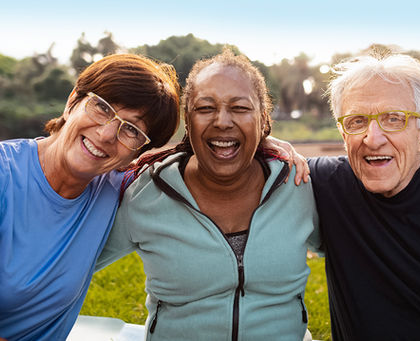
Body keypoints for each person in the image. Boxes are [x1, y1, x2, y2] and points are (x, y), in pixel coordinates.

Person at [97, 50, 320, 341]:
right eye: (205, 108)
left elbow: (357, 249)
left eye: (240, 108)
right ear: (188, 123)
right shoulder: (143, 195)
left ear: (264, 120)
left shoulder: (301, 185)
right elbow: (69, 264)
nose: (223, 121)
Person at [0, 53, 180, 340]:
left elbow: (193, 160)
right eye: (103, 108)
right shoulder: (5, 175)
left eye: (131, 130)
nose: (107, 134)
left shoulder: (116, 188)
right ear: (73, 101)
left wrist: (261, 143)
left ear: (137, 152)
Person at [308, 53, 420, 340]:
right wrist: (268, 145)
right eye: (357, 121)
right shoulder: (325, 185)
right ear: (342, 132)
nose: (373, 138)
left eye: (394, 119)